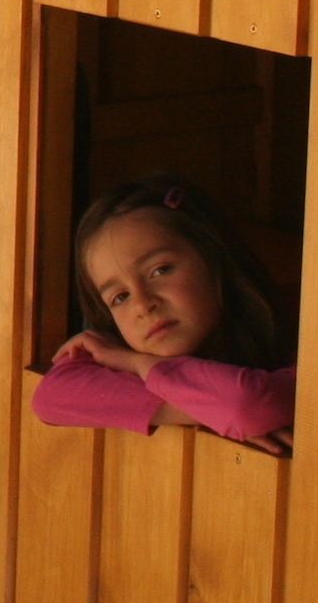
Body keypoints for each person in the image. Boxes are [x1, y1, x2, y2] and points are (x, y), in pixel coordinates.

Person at [35, 175, 297, 455]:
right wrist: (209, 410)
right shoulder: (108, 347)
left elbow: (245, 405)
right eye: (120, 297)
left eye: (160, 270)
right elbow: (50, 398)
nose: (143, 304)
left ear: (213, 257)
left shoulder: (301, 340)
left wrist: (137, 363)